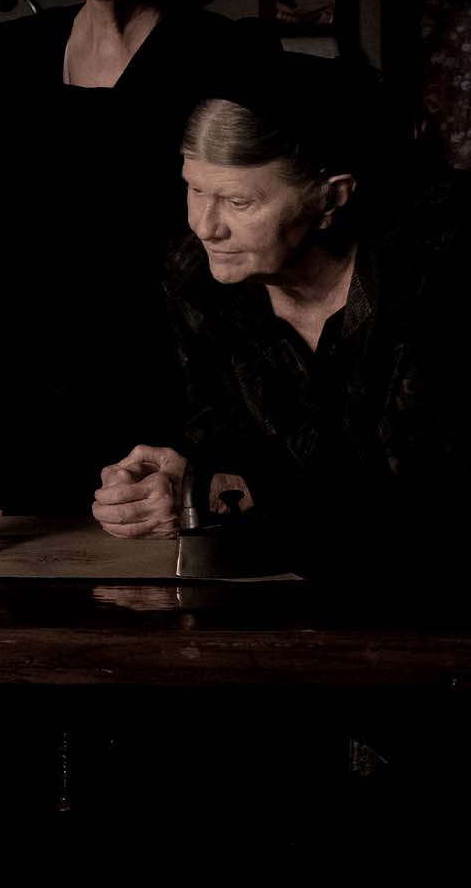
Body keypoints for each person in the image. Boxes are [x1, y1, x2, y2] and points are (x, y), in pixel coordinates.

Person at [0, 0, 275, 514]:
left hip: (157, 413)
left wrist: (209, 459)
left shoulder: (226, 59)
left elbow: (250, 268)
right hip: (9, 410)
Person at [92, 55, 467, 573]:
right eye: (194, 189)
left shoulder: (437, 272)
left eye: (238, 202)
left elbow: (428, 490)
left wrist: (230, 493)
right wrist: (168, 482)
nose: (205, 226)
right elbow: (217, 434)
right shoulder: (196, 279)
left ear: (331, 198)